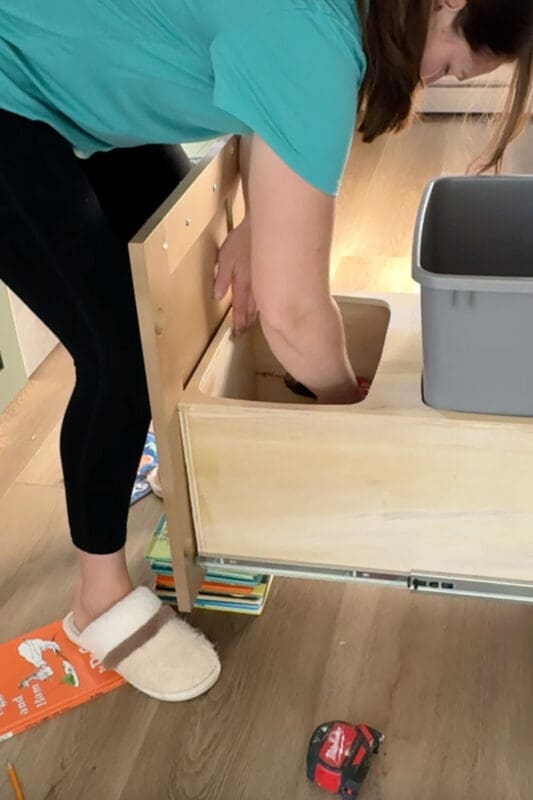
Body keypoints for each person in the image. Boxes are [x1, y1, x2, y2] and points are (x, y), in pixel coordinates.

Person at [1, 0, 532, 702]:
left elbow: (253, 71)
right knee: (121, 353)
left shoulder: (335, 25)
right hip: (13, 86)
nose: (430, 81)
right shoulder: (319, 47)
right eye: (450, 66)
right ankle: (98, 596)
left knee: (179, 277)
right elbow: (293, 315)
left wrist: (260, 214)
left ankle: (186, 468)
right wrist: (345, 402)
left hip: (71, 63)